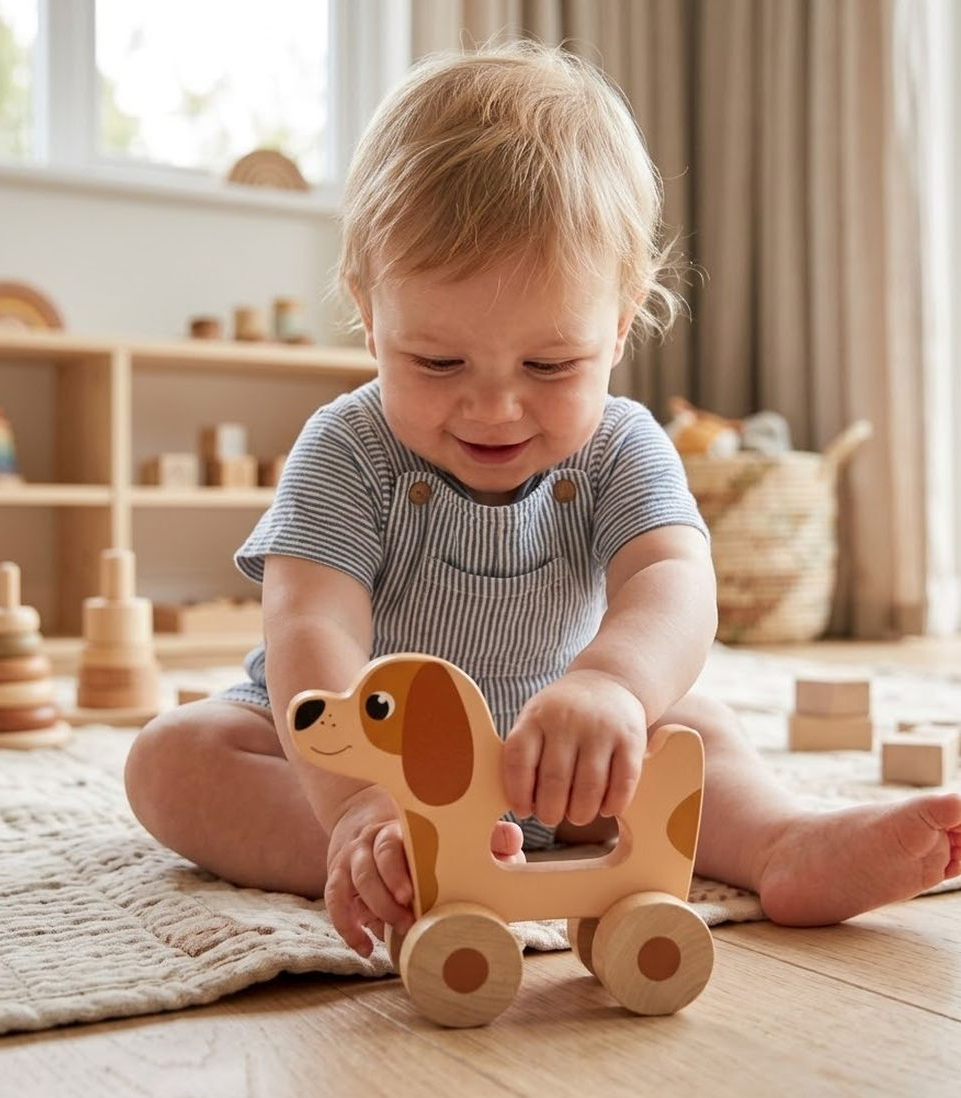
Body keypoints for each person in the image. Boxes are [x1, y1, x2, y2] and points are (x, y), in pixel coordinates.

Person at [125, 41, 961, 959]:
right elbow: (308, 627)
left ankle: (781, 842)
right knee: (174, 759)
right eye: (436, 362)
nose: (493, 407)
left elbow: (673, 583)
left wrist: (611, 685)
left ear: (622, 315)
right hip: (375, 757)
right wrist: (360, 798)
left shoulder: (621, 443)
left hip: (569, 749)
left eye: (550, 365)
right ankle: (387, 854)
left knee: (696, 730)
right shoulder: (347, 447)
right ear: (369, 312)